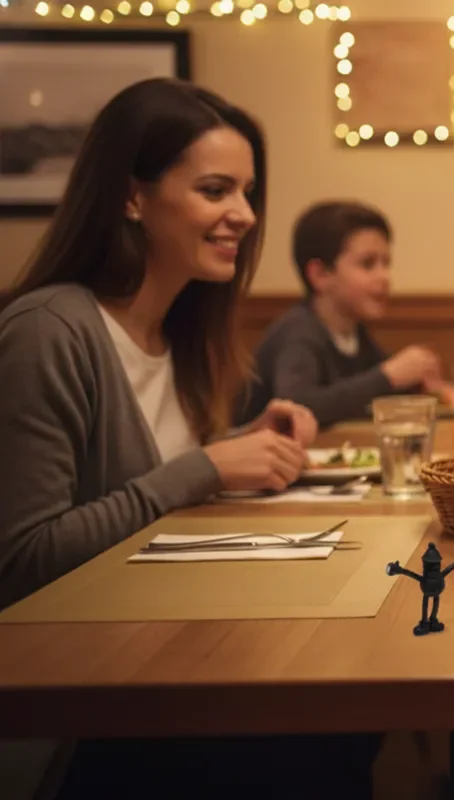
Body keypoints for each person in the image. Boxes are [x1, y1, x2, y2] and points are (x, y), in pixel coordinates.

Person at [0, 77, 375, 798]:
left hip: (167, 662)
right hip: (83, 716)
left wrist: (245, 440)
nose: (244, 214)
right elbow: (22, 565)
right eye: (215, 190)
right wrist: (204, 466)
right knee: (333, 732)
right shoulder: (50, 332)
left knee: (351, 707)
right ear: (130, 197)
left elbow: (143, 478)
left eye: (247, 192)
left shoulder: (177, 335)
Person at [234, 200, 454, 429]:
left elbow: (367, 385)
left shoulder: (353, 330)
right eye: (368, 264)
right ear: (320, 275)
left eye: (386, 263)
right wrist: (388, 376)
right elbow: (296, 404)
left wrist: (417, 380)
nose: (384, 277)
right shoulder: (299, 332)